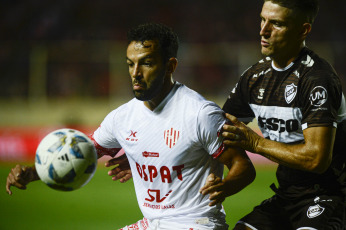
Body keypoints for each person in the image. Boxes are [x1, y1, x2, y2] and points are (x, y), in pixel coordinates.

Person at [6, 23, 256, 230]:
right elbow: (85, 151)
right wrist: (35, 173)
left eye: (146, 63)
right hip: (153, 223)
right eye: (129, 64)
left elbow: (243, 168)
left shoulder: (200, 114)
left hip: (196, 222)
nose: (135, 73)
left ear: (170, 66)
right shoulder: (122, 117)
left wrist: (224, 187)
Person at [219, 0, 346, 229]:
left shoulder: (318, 79)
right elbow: (218, 127)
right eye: (262, 19)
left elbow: (317, 159)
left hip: (332, 197)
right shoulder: (255, 76)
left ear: (303, 30)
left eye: (276, 23)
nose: (263, 30)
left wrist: (256, 143)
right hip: (286, 197)